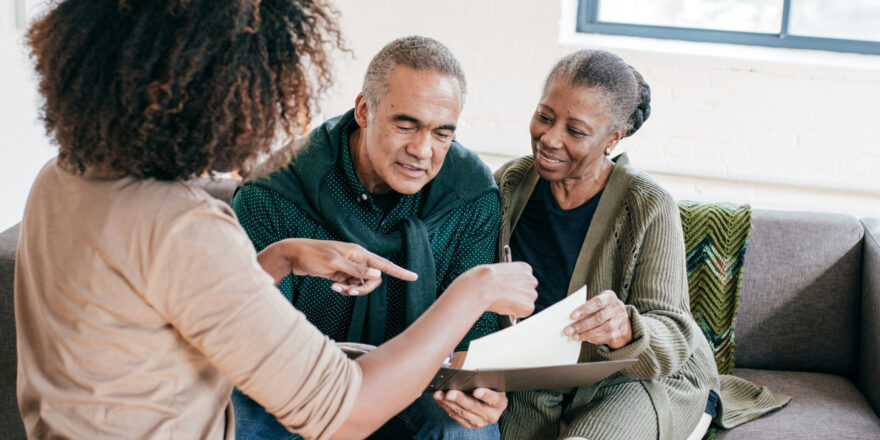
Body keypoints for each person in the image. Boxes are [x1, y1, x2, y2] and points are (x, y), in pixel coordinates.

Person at [15, 2, 538, 439]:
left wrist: (280, 257)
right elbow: (347, 408)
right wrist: (476, 288)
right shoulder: (188, 229)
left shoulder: (61, 178)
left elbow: (183, 302)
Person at [494, 50, 787, 440]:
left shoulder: (648, 205)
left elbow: (672, 330)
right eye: (545, 117)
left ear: (613, 138)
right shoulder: (511, 183)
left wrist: (624, 329)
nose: (549, 139)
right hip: (541, 375)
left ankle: (697, 412)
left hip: (639, 374)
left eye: (575, 131)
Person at [229, 35, 511, 439]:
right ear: (364, 109)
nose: (422, 150)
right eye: (406, 125)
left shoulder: (471, 194)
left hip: (417, 384)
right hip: (294, 382)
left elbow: (474, 332)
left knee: (467, 430)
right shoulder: (274, 192)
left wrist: (478, 390)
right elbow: (247, 335)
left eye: (441, 133)